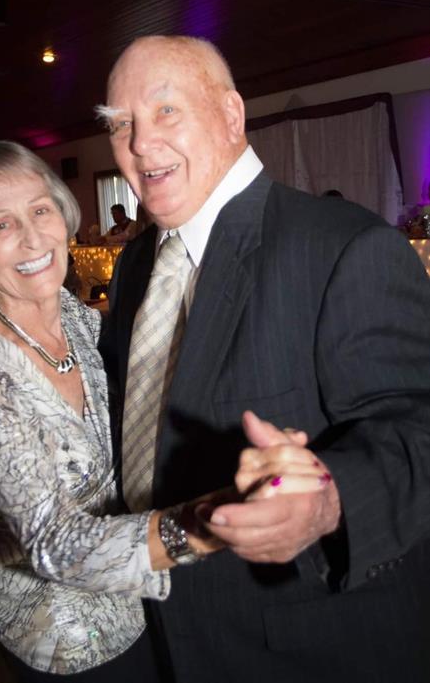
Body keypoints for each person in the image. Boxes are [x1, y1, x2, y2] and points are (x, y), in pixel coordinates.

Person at [97, 35, 430, 683]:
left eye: (165, 111)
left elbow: (416, 430)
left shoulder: (342, 246)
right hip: (166, 636)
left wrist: (328, 501)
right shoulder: (135, 263)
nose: (138, 144)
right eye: (119, 125)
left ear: (229, 114)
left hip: (311, 646)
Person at [0, 141, 317, 682]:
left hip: (141, 604)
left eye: (40, 209)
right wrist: (217, 523)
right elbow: (53, 544)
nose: (32, 236)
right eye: (1, 224)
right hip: (66, 639)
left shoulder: (79, 320)